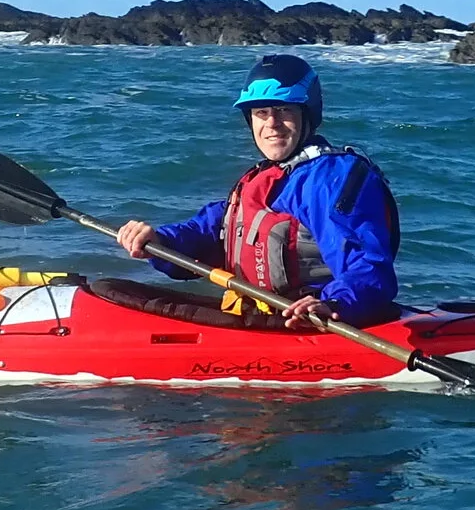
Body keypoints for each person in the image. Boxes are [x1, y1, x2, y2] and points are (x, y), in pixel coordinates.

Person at [114, 53, 400, 329]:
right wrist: (159, 241)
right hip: (256, 316)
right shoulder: (266, 176)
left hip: (307, 321)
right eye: (261, 113)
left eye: (284, 110)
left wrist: (335, 303)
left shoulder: (329, 178)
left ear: (307, 115)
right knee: (111, 289)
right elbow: (211, 231)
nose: (271, 123)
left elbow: (368, 265)